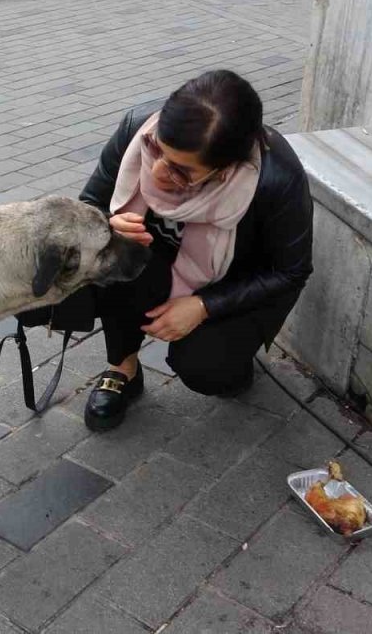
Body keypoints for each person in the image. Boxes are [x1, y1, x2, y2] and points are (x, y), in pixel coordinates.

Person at [77, 70, 313, 431]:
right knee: (114, 261)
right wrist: (106, 224)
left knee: (207, 368)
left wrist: (205, 306)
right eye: (156, 150)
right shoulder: (138, 127)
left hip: (232, 280)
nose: (157, 169)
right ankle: (122, 369)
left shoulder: (277, 179)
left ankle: (234, 366)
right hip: (157, 262)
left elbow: (291, 271)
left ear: (225, 170)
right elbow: (91, 201)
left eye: (181, 171)